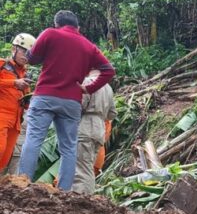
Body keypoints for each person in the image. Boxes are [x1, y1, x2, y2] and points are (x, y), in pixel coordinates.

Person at [18, 10, 115, 191]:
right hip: (71, 101)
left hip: (45, 96)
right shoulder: (88, 46)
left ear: (57, 24)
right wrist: (89, 88)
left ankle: (23, 183)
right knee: (69, 148)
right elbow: (109, 70)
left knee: (33, 139)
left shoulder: (50, 34)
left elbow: (32, 59)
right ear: (77, 27)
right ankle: (64, 191)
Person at [72, 70, 115, 194]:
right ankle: (87, 196)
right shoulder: (108, 87)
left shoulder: (87, 82)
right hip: (99, 129)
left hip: (86, 126)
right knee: (88, 166)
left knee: (81, 167)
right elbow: (112, 114)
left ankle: (82, 197)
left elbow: (80, 105)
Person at [0, 33, 35, 173]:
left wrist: (28, 98)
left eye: (29, 53)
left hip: (16, 121)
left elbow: (25, 101)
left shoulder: (25, 74)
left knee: (5, 158)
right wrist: (13, 83)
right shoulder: (2, 65)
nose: (26, 56)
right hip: (2, 116)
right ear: (14, 49)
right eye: (24, 51)